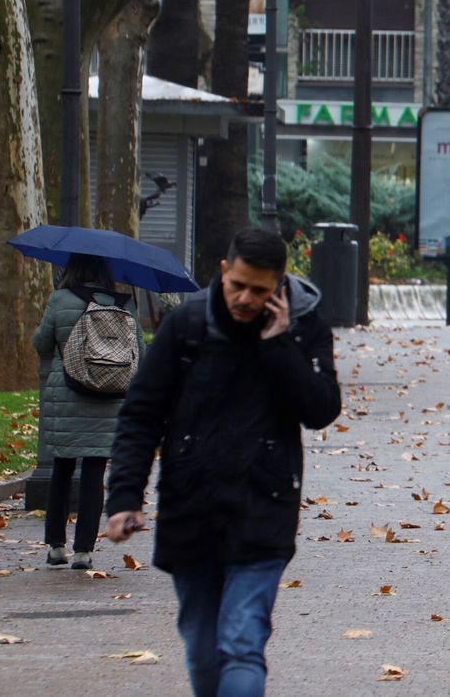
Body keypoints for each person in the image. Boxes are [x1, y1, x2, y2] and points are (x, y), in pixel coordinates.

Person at [105, 227, 340, 697]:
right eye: (238, 286)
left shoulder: (304, 324)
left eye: (260, 290)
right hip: (192, 504)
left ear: (280, 285)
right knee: (201, 646)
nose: (246, 299)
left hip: (264, 504)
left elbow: (320, 410)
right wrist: (125, 496)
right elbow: (142, 413)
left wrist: (279, 345)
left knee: (242, 643)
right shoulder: (187, 325)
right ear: (223, 272)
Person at [32, 253, 137, 570]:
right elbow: (138, 352)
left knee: (62, 469)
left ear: (73, 268)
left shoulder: (60, 298)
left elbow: (41, 343)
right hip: (110, 397)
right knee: (95, 471)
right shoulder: (123, 303)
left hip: (67, 393)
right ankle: (84, 551)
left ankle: (55, 546)